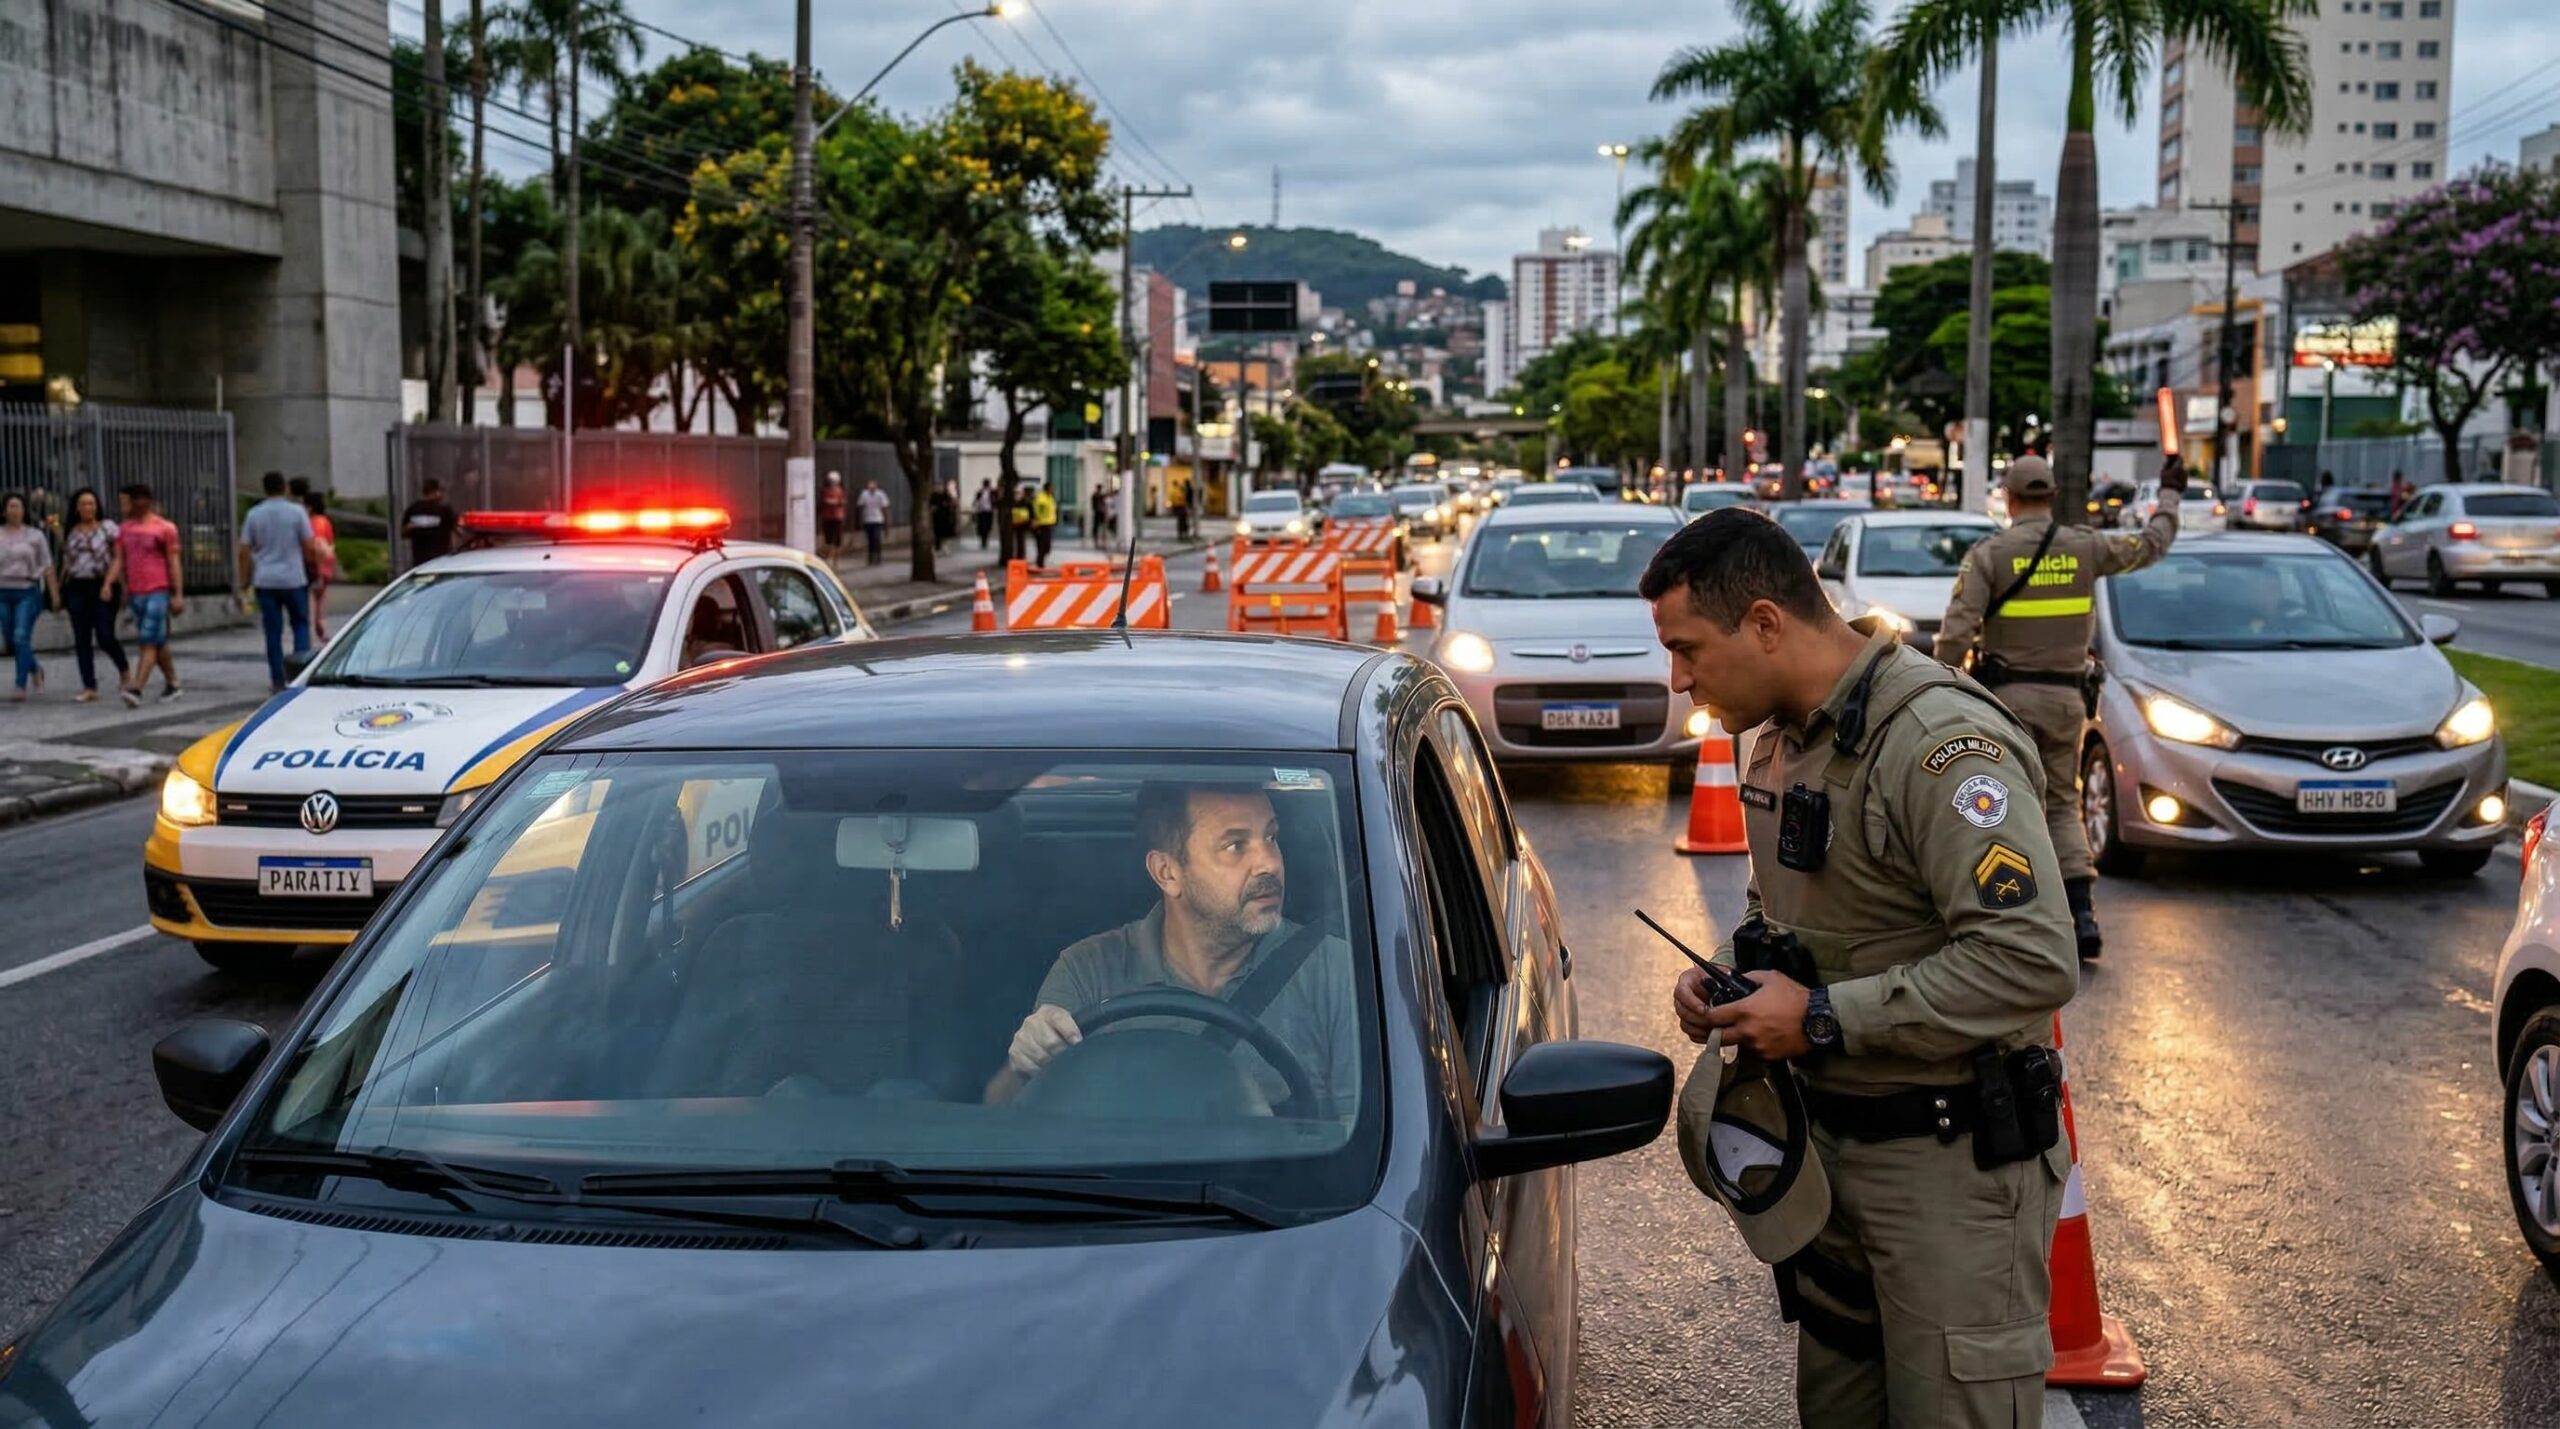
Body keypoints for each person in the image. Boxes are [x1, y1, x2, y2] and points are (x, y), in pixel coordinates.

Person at [1645, 510, 2078, 1429]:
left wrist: (1823, 1017)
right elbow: (1789, 909)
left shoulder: (1938, 741)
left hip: (1951, 1172)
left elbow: (2031, 957)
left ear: (1765, 624)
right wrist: (1726, 973)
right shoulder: (1775, 735)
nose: (1679, 679)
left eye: (1688, 649)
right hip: (1830, 1163)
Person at [1935, 453, 2183, 961]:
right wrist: (2171, 493)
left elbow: (1957, 632)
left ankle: (2009, 916)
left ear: (2008, 497)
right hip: (2068, 701)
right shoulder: (2085, 547)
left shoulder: (1990, 555)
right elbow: (2152, 545)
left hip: (2004, 705)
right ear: (2051, 497)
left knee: (1998, 803)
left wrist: (1942, 686)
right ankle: (2082, 913)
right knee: (2062, 804)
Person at [992, 781, 1357, 1117]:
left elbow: (1357, 1143)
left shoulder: (1334, 971)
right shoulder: (1088, 971)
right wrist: (1024, 1064)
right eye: (1235, 845)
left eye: (1272, 837)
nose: (1269, 863)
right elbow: (1011, 1123)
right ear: (1167, 872)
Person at [239, 472, 320, 692]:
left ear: (264, 489)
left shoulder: (253, 514)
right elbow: (309, 545)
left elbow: (244, 550)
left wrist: (245, 579)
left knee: (273, 632)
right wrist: (313, 567)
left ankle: (277, 679)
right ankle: (299, 674)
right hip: (294, 578)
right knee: (300, 625)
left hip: (265, 581)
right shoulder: (297, 512)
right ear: (284, 487)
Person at [57, 489, 129, 702]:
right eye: (83, 504)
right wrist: (59, 589)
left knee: (105, 634)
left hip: (103, 584)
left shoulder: (108, 528)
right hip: (77, 586)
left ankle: (124, 669)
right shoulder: (72, 532)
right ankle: (89, 685)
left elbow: (117, 558)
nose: (88, 508)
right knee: (81, 638)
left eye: (91, 503)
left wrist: (109, 583)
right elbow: (68, 562)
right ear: (77, 508)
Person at [116, 485, 184, 705]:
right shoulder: (125, 529)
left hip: (158, 589)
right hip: (137, 591)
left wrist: (177, 593)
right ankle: (172, 682)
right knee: (158, 640)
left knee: (147, 640)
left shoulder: (164, 528)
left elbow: (173, 561)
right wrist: (123, 587)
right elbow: (121, 560)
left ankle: (137, 687)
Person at [0, 493, 56, 700]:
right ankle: (35, 668)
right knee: (12, 641)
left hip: (27, 590)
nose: (15, 511)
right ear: (4, 510)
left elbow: (47, 564)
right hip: (2, 591)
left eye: (18, 506)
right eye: (11, 506)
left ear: (24, 510)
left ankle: (20, 684)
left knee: (21, 635)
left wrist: (55, 594)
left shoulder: (35, 536)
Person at [300, 489, 338, 640]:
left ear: (310, 507)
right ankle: (320, 624)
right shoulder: (325, 521)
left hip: (316, 563)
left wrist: (319, 569)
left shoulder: (315, 522)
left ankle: (319, 625)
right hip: (326, 562)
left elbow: (318, 546)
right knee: (320, 597)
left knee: (316, 596)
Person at [402, 477, 459, 569]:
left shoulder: (413, 509)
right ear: (436, 492)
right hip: (441, 560)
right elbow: (455, 531)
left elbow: (404, 533)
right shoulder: (444, 510)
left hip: (420, 562)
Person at [856, 479, 890, 566]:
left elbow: (885, 508)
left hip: (877, 519)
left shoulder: (880, 494)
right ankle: (870, 558)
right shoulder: (864, 494)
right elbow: (861, 507)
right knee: (870, 540)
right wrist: (860, 520)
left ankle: (878, 557)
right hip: (867, 520)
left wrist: (887, 524)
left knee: (876, 539)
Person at [818, 472, 848, 564]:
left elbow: (843, 502)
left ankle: (835, 562)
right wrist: (837, 502)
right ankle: (828, 558)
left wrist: (836, 502)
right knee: (828, 540)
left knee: (837, 541)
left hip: (837, 517)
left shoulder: (840, 490)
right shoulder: (826, 491)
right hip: (828, 517)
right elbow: (827, 501)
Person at [1032, 480, 1059, 566]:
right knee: (1043, 545)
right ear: (1047, 488)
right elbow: (1037, 511)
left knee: (1046, 546)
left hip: (1049, 523)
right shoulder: (1041, 498)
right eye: (1051, 488)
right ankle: (1040, 562)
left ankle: (1039, 561)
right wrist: (1036, 521)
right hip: (1042, 524)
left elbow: (1053, 510)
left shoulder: (1050, 497)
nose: (1053, 489)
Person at [931, 481, 959, 554]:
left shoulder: (946, 495)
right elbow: (931, 505)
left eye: (941, 486)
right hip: (936, 516)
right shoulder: (933, 495)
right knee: (937, 532)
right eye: (938, 486)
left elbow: (952, 503)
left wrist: (949, 504)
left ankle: (944, 546)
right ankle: (937, 547)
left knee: (945, 532)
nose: (939, 488)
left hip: (945, 516)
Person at [971, 481, 996, 549]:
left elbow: (994, 500)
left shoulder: (992, 492)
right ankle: (983, 541)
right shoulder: (980, 492)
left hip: (988, 511)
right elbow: (975, 500)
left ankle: (985, 540)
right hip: (981, 511)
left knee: (987, 526)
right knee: (982, 527)